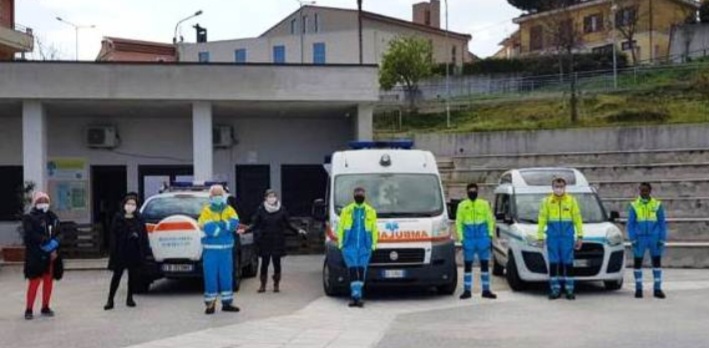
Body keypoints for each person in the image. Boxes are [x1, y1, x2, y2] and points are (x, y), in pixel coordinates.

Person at [249, 189, 307, 293]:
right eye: (269, 196)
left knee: (277, 263)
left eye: (273, 196)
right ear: (265, 198)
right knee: (264, 263)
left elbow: (288, 224)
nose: (272, 198)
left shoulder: (281, 209)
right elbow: (255, 224)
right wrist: (245, 230)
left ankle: (276, 284)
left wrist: (298, 230)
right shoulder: (261, 209)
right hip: (265, 240)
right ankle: (263, 285)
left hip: (278, 240)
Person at [537, 178, 584, 300]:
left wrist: (580, 236)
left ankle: (569, 289)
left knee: (568, 263)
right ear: (552, 187)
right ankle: (555, 289)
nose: (559, 189)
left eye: (561, 186)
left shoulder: (571, 201)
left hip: (567, 238)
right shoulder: (547, 201)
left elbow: (577, 219)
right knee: (553, 263)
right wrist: (540, 237)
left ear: (565, 187)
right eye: (557, 186)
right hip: (553, 237)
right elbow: (541, 219)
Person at [198, 185, 241, 315]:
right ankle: (210, 304)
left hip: (226, 250)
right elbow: (208, 227)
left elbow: (234, 223)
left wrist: (220, 226)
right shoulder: (206, 210)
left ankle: (227, 303)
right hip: (211, 251)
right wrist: (224, 227)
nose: (217, 196)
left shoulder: (229, 209)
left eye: (219, 194)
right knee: (210, 277)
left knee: (226, 277)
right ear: (211, 196)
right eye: (215, 194)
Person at [104, 194, 150, 310]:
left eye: (133, 204)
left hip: (134, 251)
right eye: (128, 203)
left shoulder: (139, 218)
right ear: (124, 205)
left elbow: (144, 235)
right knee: (117, 276)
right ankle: (110, 300)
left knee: (133, 276)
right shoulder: (118, 217)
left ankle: (130, 298)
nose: (130, 206)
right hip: (120, 251)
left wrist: (144, 249)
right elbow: (114, 234)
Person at [22, 191, 61, 320]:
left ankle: (45, 306)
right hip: (36, 255)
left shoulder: (53, 217)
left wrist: (55, 245)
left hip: (51, 255)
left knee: (48, 281)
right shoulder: (29, 217)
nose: (43, 203)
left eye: (45, 201)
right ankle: (29, 309)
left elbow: (60, 233)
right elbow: (29, 234)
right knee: (34, 281)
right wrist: (45, 241)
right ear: (35, 203)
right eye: (40, 201)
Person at [337, 187, 378, 308]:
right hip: (349, 245)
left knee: (361, 270)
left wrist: (374, 244)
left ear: (364, 196)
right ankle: (356, 295)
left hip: (365, 246)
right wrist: (341, 243)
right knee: (353, 270)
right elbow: (341, 228)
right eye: (357, 194)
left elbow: (374, 229)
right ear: (354, 195)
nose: (359, 195)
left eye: (361, 194)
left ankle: (357, 296)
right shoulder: (347, 211)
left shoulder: (370, 211)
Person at [456, 183, 497, 300]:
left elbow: (490, 220)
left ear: (477, 191)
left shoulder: (484, 204)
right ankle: (467, 291)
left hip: (482, 238)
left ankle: (486, 290)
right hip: (468, 239)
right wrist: (461, 238)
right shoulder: (462, 205)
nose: (472, 192)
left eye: (474, 190)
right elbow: (458, 222)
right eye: (470, 191)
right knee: (467, 265)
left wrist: (489, 235)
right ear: (467, 192)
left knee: (485, 264)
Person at [627, 182, 667, 299]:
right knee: (638, 263)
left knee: (656, 263)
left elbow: (662, 223)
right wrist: (633, 238)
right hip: (640, 238)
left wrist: (662, 238)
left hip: (654, 237)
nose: (643, 193)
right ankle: (638, 289)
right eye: (641, 190)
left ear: (650, 191)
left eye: (645, 190)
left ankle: (657, 289)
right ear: (639, 191)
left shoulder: (657, 205)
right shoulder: (634, 205)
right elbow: (630, 224)